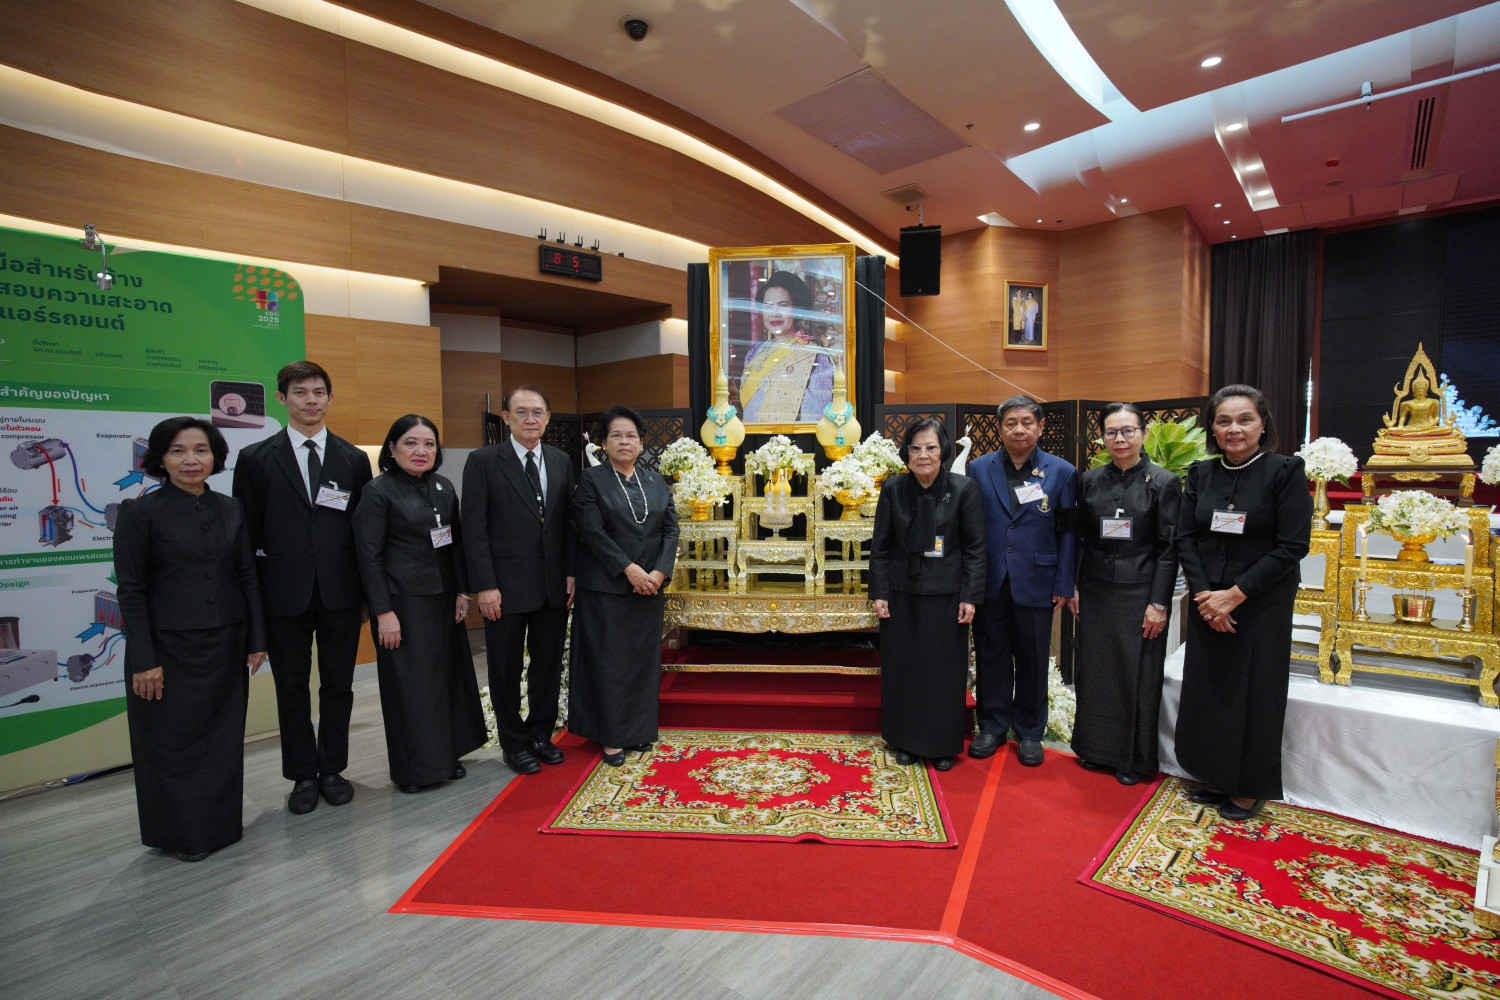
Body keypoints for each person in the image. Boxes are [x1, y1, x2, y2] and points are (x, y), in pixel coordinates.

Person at [114, 417, 267, 861]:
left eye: (200, 450)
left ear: (215, 456)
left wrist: (257, 638)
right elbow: (132, 590)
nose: (191, 460)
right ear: (160, 459)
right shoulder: (139, 512)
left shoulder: (230, 508)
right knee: (170, 744)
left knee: (221, 741)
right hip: (165, 651)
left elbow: (246, 574)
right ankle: (180, 836)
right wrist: (144, 659)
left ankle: (220, 828)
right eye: (178, 451)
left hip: (226, 644)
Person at [233, 360, 373, 815]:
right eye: (300, 393)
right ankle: (302, 776)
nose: (310, 401)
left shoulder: (353, 459)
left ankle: (333, 769)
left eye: (318, 392)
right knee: (291, 687)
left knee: (338, 685)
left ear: (330, 399)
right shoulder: (255, 459)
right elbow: (246, 537)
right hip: (283, 597)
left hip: (340, 595)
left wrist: (369, 599)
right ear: (282, 399)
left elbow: (363, 533)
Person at [1175, 385, 1312, 821]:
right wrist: (1205, 597)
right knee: (1211, 690)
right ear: (1212, 429)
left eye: (1244, 419)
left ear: (1262, 424)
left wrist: (1233, 597)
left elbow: (1292, 546)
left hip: (1260, 602)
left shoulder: (1284, 471)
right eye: (1223, 421)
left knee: (1255, 693)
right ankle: (1213, 775)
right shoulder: (1200, 473)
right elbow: (1185, 537)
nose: (1234, 429)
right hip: (1206, 601)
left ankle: (1249, 786)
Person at [352, 415, 485, 793]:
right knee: (413, 688)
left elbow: (455, 543)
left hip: (444, 601)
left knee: (447, 681)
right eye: (410, 443)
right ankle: (417, 769)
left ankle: (447, 756)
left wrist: (463, 591)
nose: (421, 451)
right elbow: (369, 557)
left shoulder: (443, 487)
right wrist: (383, 612)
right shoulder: (378, 492)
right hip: (403, 606)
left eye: (429, 443)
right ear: (392, 449)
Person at [461, 385, 576, 776]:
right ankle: (513, 742)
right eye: (522, 412)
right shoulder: (483, 461)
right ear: (506, 418)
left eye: (538, 412)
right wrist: (484, 585)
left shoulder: (561, 460)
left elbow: (567, 524)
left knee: (546, 665)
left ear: (547, 417)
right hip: (503, 588)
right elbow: (473, 529)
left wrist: (571, 572)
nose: (531, 419)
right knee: (505, 669)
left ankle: (541, 734)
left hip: (552, 585)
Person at [1070, 403, 1181, 786]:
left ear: (1144, 434)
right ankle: (1093, 748)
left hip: (1141, 594)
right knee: (1096, 672)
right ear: (1102, 437)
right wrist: (1074, 586)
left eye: (1128, 431)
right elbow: (1080, 537)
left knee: (1136, 674)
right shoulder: (1089, 481)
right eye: (1112, 432)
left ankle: (1131, 759)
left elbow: (1169, 549)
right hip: (1097, 591)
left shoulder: (1164, 482)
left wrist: (1159, 603)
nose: (1119, 439)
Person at [870, 418, 986, 771]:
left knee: (941, 671)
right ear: (906, 452)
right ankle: (904, 740)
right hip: (902, 593)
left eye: (931, 448)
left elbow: (976, 548)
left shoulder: (963, 489)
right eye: (916, 448)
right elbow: (881, 547)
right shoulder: (893, 489)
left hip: (946, 595)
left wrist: (970, 596)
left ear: (944, 452)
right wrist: (879, 591)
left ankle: (940, 745)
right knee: (904, 669)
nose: (923, 455)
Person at [967, 395, 1077, 767]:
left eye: (1027, 422)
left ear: (1041, 426)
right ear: (999, 428)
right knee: (991, 654)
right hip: (991, 580)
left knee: (1032, 658)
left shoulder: (1062, 472)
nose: (1019, 429)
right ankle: (993, 727)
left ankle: (1030, 731)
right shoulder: (979, 469)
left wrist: (1064, 583)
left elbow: (1068, 533)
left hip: (1038, 581)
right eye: (1011, 422)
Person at [568, 405, 679, 767]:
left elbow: (670, 530)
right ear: (603, 442)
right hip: (607, 589)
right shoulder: (591, 480)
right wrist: (630, 570)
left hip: (650, 589)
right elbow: (592, 532)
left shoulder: (654, 480)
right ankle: (613, 737)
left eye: (631, 435)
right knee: (610, 664)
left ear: (642, 441)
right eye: (616, 435)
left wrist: (659, 573)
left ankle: (637, 730)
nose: (624, 441)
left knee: (642, 663)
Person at [738, 270, 836, 424]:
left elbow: (817, 417)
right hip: (752, 438)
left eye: (783, 306)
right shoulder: (755, 352)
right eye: (768, 306)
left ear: (797, 309)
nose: (774, 313)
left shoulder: (815, 356)